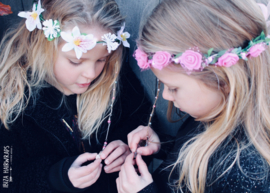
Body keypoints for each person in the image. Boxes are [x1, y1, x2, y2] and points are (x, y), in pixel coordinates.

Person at [116, 0, 270, 192]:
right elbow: (193, 149)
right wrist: (162, 144)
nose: (166, 95)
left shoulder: (245, 172)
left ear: (223, 81)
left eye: (173, 88)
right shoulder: (212, 115)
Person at [0, 0, 150, 192]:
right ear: (43, 46)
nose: (91, 73)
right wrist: (56, 176)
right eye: (75, 61)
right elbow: (6, 179)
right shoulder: (12, 100)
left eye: (101, 59)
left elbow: (142, 119)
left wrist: (127, 147)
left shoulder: (113, 78)